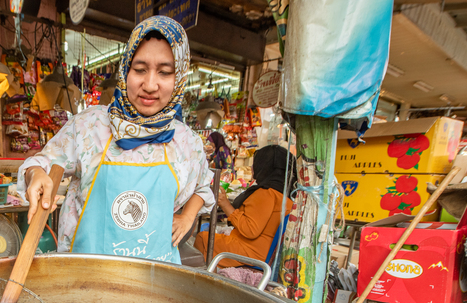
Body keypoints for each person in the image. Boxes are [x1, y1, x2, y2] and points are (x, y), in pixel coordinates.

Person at [18, 16, 214, 264]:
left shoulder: (187, 142)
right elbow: (41, 163)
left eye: (165, 72)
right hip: (86, 277)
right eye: (140, 69)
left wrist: (188, 217)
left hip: (158, 283)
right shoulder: (90, 126)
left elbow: (203, 185)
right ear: (125, 70)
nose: (150, 84)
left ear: (179, 79)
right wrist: (35, 174)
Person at [193, 144, 295, 268]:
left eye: (255, 164)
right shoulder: (286, 195)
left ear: (264, 167)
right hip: (263, 251)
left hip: (252, 253)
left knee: (203, 238)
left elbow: (250, 230)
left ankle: (205, 280)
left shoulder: (266, 193)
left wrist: (225, 204)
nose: (252, 168)